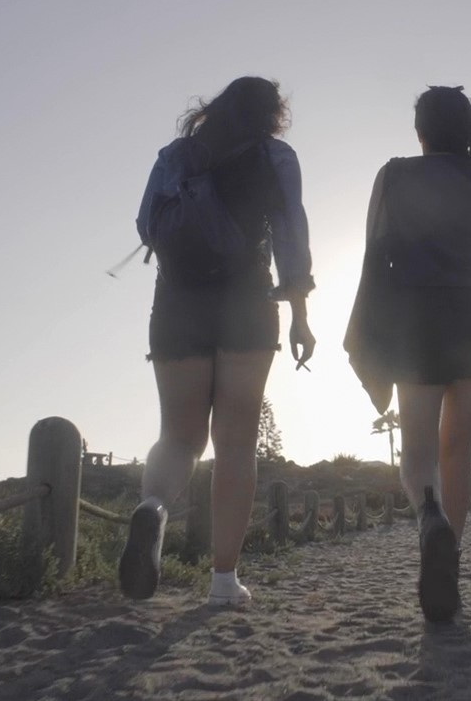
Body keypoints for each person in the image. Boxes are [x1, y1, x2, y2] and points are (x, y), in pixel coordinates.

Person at [121, 76, 316, 605]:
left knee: (180, 437)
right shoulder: (275, 156)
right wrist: (299, 313)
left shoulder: (177, 154)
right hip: (247, 302)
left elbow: (146, 224)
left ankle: (153, 510)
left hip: (178, 303)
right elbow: (290, 236)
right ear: (272, 115)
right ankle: (224, 582)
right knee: (235, 444)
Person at [345, 86, 471, 623]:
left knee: (418, 451)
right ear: (469, 129)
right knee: (456, 451)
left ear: (420, 131)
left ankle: (430, 520)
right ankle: (452, 566)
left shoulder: (394, 174)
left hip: (416, 320)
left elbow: (373, 246)